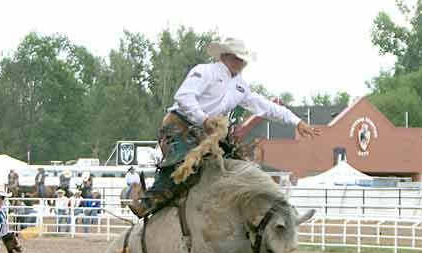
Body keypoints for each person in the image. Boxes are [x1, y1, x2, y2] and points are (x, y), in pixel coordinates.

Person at [132, 37, 321, 217]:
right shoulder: (205, 71)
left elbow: (266, 107)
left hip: (207, 134)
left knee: (236, 164)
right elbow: (183, 97)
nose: (241, 63)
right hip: (179, 125)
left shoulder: (240, 87)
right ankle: (147, 201)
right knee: (182, 160)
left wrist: (297, 121)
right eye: (238, 58)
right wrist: (203, 119)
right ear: (225, 56)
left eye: (242, 60)